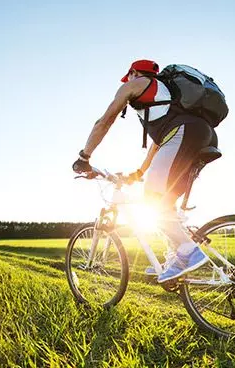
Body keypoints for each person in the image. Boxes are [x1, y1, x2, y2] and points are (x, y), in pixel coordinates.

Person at [72, 59, 218, 283]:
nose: (127, 81)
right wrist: (140, 172)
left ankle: (188, 251)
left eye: (128, 77)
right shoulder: (167, 98)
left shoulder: (136, 84)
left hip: (182, 134)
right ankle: (176, 256)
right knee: (165, 203)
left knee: (152, 201)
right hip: (202, 135)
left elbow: (106, 119)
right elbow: (159, 143)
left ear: (133, 73)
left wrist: (84, 156)